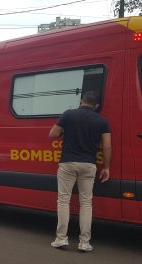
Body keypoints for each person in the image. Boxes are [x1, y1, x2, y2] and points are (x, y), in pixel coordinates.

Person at [48, 90, 112, 252]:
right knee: (86, 203)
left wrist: (64, 130)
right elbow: (107, 146)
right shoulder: (102, 121)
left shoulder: (68, 114)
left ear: (80, 102)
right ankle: (84, 242)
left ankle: (61, 239)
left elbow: (53, 134)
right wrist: (106, 167)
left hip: (68, 163)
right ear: (96, 106)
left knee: (63, 200)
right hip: (89, 165)